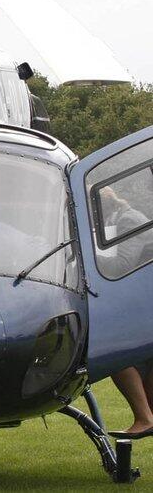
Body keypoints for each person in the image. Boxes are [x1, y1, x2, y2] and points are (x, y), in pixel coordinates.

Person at [98, 186, 153, 439]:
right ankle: (146, 418)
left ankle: (144, 418)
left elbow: (123, 264)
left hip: (143, 302)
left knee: (115, 353)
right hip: (142, 301)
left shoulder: (130, 219)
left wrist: (86, 260)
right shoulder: (119, 219)